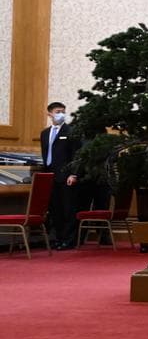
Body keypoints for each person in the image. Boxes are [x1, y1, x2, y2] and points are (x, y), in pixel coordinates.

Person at [39, 101, 82, 249]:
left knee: (68, 209)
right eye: (58, 111)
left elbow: (77, 155)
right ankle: (58, 238)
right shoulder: (44, 134)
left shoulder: (71, 131)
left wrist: (74, 174)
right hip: (50, 177)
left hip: (66, 177)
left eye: (63, 111)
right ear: (49, 113)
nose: (61, 114)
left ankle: (68, 240)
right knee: (55, 209)